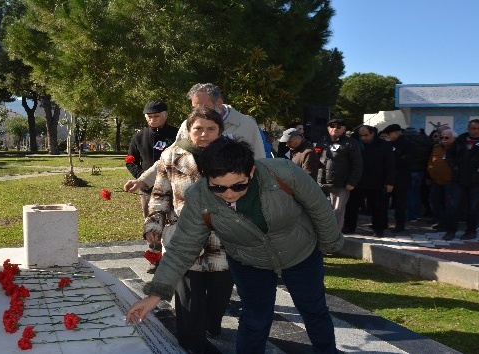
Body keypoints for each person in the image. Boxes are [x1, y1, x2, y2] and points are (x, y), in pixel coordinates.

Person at [126, 138, 344, 354]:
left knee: (314, 311)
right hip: (248, 261)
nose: (229, 194)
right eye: (218, 188)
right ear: (206, 178)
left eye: (238, 185)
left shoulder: (283, 173)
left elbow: (319, 208)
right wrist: (154, 295)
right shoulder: (200, 197)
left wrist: (330, 243)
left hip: (300, 253)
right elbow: (182, 248)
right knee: (255, 319)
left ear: (251, 172)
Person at [144, 106, 233, 353]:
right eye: (198, 128)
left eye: (211, 129)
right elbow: (160, 193)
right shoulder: (172, 155)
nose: (204, 134)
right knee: (189, 295)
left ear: (220, 130)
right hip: (186, 236)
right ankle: (191, 340)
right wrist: (154, 223)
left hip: (223, 237)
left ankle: (210, 324)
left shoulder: (233, 155)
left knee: (220, 292)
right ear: (189, 129)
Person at [124, 83, 266, 193]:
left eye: (204, 106)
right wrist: (143, 180)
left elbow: (260, 161)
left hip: (235, 194)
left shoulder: (246, 124)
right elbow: (170, 156)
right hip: (198, 197)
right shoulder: (188, 125)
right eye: (194, 107)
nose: (199, 111)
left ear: (219, 102)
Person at [126, 100, 179, 272]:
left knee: (173, 222)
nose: (153, 120)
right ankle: (154, 259)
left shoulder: (177, 134)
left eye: (156, 116)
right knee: (152, 223)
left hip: (172, 187)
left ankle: (174, 258)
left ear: (165, 116)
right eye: (149, 117)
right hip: (147, 189)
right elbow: (130, 160)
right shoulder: (139, 136)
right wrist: (141, 177)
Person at [443, 119, 479, 240]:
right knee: (453, 205)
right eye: (473, 128)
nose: (476, 131)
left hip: (478, 180)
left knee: (474, 207)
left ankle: (471, 231)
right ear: (469, 129)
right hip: (460, 179)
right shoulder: (460, 140)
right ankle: (451, 231)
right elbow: (449, 155)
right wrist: (455, 167)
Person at [343, 125, 395, 237]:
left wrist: (390, 182)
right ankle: (349, 227)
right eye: (361, 135)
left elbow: (390, 165)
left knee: (377, 207)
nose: (363, 138)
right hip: (357, 181)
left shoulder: (384, 145)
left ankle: (378, 229)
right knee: (352, 206)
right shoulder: (355, 144)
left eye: (366, 135)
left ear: (372, 134)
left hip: (376, 181)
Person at [314, 118, 363, 230]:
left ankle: (335, 236)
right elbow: (315, 159)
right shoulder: (322, 141)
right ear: (328, 128)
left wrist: (352, 182)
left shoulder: (350, 143)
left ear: (344, 129)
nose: (335, 128)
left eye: (339, 126)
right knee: (321, 210)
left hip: (341, 184)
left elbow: (357, 164)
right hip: (321, 182)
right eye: (332, 126)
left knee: (337, 211)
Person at [381, 124, 412, 233]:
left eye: (389, 134)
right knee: (383, 202)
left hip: (401, 178)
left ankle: (400, 225)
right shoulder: (386, 144)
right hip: (387, 178)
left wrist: (393, 153)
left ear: (396, 133)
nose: (387, 136)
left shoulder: (407, 144)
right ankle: (382, 223)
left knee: (400, 203)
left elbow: (406, 160)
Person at [426, 128, 456, 231]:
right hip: (436, 181)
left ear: (453, 138)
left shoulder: (457, 148)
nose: (443, 139)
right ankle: (440, 222)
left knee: (449, 204)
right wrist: (430, 172)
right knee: (434, 202)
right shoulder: (436, 147)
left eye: (446, 137)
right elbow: (431, 161)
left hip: (450, 182)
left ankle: (449, 224)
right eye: (442, 137)